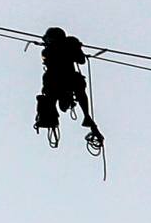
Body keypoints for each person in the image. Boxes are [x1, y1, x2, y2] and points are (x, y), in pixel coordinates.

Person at [33, 26, 104, 155]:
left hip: (61, 81)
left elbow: (81, 60)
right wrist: (75, 48)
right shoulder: (51, 51)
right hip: (61, 81)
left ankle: (85, 117)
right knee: (59, 93)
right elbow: (80, 60)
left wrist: (76, 49)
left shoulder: (58, 49)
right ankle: (82, 117)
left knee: (59, 92)